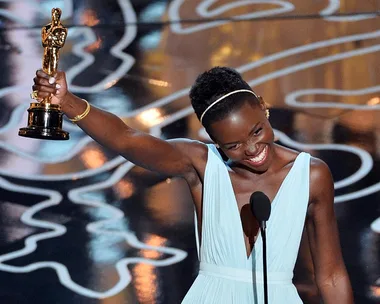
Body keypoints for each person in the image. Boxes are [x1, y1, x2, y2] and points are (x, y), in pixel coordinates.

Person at [32, 66, 353, 303]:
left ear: (262, 106)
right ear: (214, 141)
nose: (253, 150)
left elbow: (331, 275)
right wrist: (68, 102)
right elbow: (127, 140)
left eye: (257, 131)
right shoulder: (200, 164)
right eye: (234, 145)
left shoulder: (312, 175)